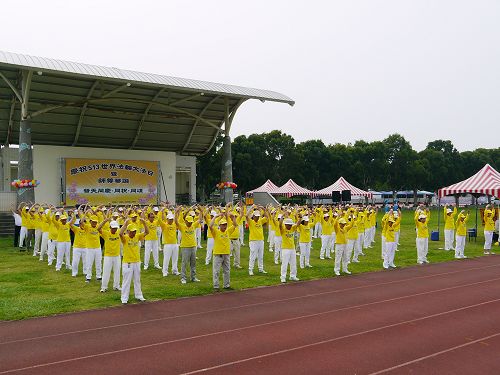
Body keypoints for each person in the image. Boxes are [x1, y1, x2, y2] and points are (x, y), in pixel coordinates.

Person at [119, 218, 148, 304]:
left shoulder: (137, 236)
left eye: (135, 231)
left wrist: (144, 223)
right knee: (126, 280)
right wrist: (125, 224)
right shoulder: (125, 238)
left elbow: (147, 232)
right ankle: (124, 298)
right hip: (127, 262)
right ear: (128, 231)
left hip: (137, 261)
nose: (134, 233)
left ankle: (139, 295)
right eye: (132, 231)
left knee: (137, 279)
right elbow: (120, 233)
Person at [210, 210, 238, 290]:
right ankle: (216, 286)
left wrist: (233, 218)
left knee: (227, 270)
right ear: (220, 225)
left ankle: (227, 285)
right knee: (216, 271)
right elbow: (210, 226)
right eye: (223, 225)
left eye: (225, 225)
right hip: (218, 254)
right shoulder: (216, 232)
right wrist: (215, 217)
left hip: (226, 254)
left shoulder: (228, 231)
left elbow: (235, 225)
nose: (224, 226)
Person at [176, 206, 202, 284]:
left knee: (193, 263)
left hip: (193, 246)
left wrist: (201, 211)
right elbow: (176, 222)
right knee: (184, 263)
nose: (190, 223)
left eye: (191, 222)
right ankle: (183, 278)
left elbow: (200, 219)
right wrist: (176, 212)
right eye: (189, 222)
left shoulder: (193, 225)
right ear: (186, 221)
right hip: (185, 247)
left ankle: (193, 277)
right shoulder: (182, 227)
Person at [98, 217, 122, 292]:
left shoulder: (118, 233)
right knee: (106, 271)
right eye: (113, 228)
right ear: (110, 227)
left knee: (117, 271)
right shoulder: (106, 233)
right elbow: (98, 229)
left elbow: (124, 228)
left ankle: (116, 286)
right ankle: (104, 287)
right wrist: (104, 221)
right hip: (108, 256)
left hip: (117, 256)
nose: (115, 229)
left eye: (116, 228)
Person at [246, 205, 269, 276]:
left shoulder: (260, 221)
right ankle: (250, 269)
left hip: (260, 240)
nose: (258, 217)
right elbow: (246, 216)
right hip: (253, 241)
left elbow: (267, 217)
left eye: (258, 216)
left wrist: (263, 209)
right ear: (253, 216)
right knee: (253, 256)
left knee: (260, 256)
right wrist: (251, 208)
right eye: (256, 216)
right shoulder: (251, 222)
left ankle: (261, 269)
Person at [82, 214, 103, 281]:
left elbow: (101, 232)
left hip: (97, 247)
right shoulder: (87, 227)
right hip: (89, 248)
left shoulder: (98, 227)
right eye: (93, 222)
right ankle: (88, 276)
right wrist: (85, 214)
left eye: (96, 222)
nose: (94, 223)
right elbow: (82, 222)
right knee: (89, 262)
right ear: (90, 221)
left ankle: (99, 276)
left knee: (98, 262)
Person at [279, 216, 299, 283]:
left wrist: (301, 218)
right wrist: (282, 217)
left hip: (292, 248)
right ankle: (283, 277)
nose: (290, 226)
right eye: (289, 225)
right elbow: (279, 224)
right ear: (286, 225)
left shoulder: (292, 228)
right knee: (284, 263)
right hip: (285, 249)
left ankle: (292, 276)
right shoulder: (283, 230)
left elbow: (298, 223)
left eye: (291, 225)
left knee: (293, 263)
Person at [160, 211, 180, 276]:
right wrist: (161, 211)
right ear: (167, 219)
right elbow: (159, 220)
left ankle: (175, 270)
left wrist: (176, 212)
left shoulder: (174, 224)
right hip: (167, 244)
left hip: (175, 243)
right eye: (170, 219)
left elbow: (177, 219)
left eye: (172, 219)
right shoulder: (164, 225)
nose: (171, 220)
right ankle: (164, 271)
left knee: (175, 258)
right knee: (166, 258)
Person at [70, 211, 88, 278]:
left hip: (85, 247)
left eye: (84, 223)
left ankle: (85, 272)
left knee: (85, 261)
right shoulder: (76, 229)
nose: (83, 225)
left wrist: (85, 214)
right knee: (75, 261)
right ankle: (74, 273)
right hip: (77, 248)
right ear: (79, 224)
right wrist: (74, 216)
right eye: (81, 223)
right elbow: (70, 224)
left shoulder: (87, 229)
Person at [229, 203, 244, 269]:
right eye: (233, 216)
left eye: (235, 216)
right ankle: (226, 264)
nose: (234, 217)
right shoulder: (228, 221)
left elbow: (241, 215)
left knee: (237, 253)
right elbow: (227, 213)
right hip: (229, 239)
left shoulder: (237, 220)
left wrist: (241, 208)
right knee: (227, 253)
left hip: (236, 239)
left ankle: (236, 264)